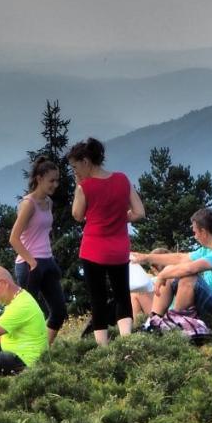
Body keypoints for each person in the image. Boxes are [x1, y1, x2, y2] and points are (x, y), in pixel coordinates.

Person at [68, 137, 145, 345]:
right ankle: (126, 340)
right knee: (122, 294)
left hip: (94, 250)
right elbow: (139, 212)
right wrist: (121, 217)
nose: (75, 172)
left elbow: (76, 214)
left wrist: (78, 186)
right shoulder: (122, 179)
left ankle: (103, 348)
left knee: (98, 298)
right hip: (119, 248)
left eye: (75, 167)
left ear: (86, 161)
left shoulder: (86, 187)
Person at [133, 208, 212, 324]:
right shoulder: (208, 250)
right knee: (171, 271)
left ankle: (176, 326)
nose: (195, 237)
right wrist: (146, 258)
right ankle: (154, 322)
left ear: (203, 232)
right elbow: (180, 258)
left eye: (195, 232)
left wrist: (162, 275)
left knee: (189, 277)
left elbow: (191, 268)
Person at [9, 156, 67, 344]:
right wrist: (32, 262)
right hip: (29, 265)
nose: (55, 184)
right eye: (52, 180)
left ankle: (43, 350)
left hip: (47, 261)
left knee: (59, 311)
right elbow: (14, 239)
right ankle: (24, 355)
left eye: (57, 180)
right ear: (39, 178)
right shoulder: (28, 204)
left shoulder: (48, 202)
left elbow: (42, 232)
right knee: (29, 315)